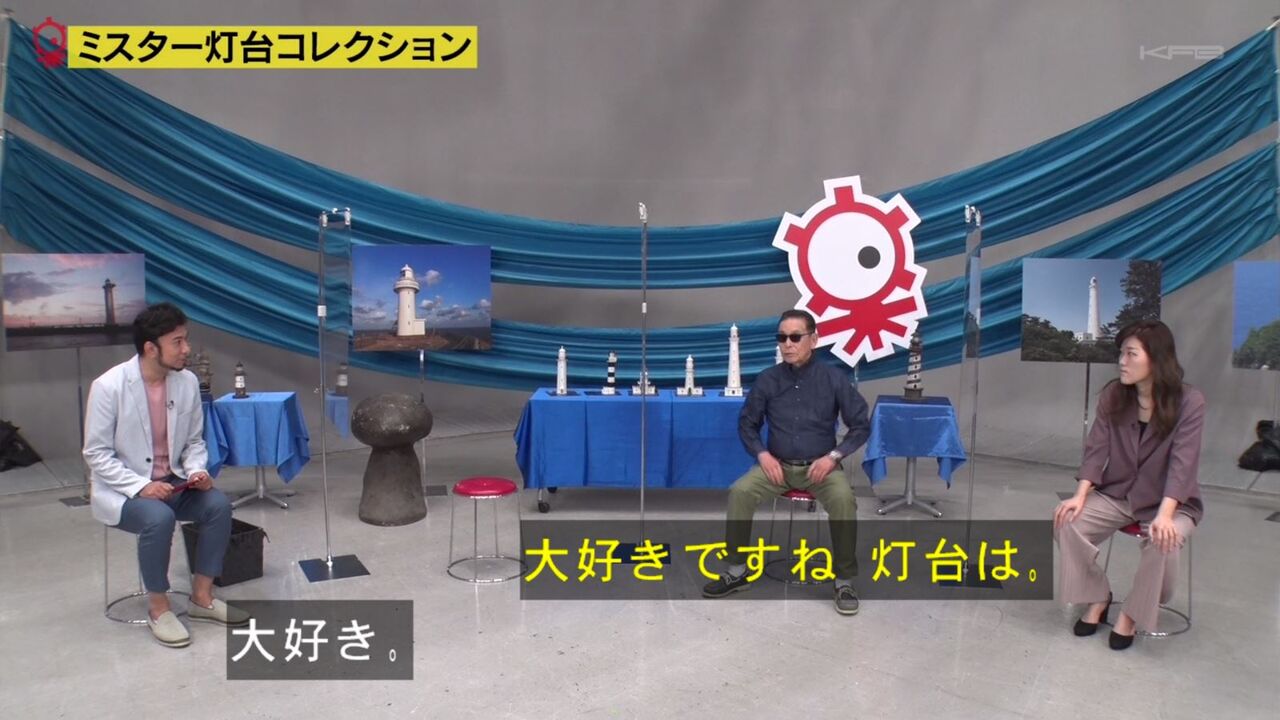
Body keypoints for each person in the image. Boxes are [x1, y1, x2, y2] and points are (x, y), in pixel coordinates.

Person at [84, 303, 249, 648]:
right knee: (158, 518)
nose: (187, 349)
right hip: (124, 490)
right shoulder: (109, 387)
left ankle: (202, 597)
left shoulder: (186, 382)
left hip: (174, 483)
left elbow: (193, 442)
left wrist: (197, 470)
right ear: (150, 348)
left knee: (218, 505)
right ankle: (159, 609)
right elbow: (96, 454)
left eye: (185, 339)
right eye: (178, 342)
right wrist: (141, 486)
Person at [702, 309, 870, 615]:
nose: (787, 344)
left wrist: (834, 457)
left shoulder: (833, 379)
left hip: (821, 468)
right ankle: (737, 572)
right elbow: (747, 424)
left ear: (814, 340)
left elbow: (861, 425)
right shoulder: (768, 379)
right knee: (740, 492)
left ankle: (844, 581)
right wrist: (762, 454)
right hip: (776, 467)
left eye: (795, 337)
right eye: (782, 337)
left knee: (844, 500)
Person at [1054, 319, 1205, 650]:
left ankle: (1132, 614)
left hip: (1172, 502)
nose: (1122, 361)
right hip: (1119, 493)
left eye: (1131, 354)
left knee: (1163, 539)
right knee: (1067, 520)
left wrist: (1165, 515)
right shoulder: (1114, 395)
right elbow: (1096, 449)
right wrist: (1079, 495)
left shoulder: (1189, 401)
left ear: (1156, 358)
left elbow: (1183, 464)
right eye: (1121, 353)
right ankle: (1097, 596)